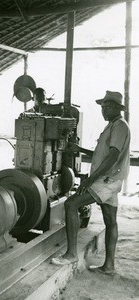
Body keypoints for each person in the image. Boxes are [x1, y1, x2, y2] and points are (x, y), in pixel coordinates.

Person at [51, 90, 130, 276]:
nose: (102, 111)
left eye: (105, 107)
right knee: (110, 221)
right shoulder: (112, 126)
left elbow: (112, 157)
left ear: (115, 108)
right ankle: (109, 266)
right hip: (111, 179)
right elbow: (102, 155)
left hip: (106, 180)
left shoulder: (119, 126)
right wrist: (79, 149)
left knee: (71, 204)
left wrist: (90, 179)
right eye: (102, 107)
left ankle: (71, 254)